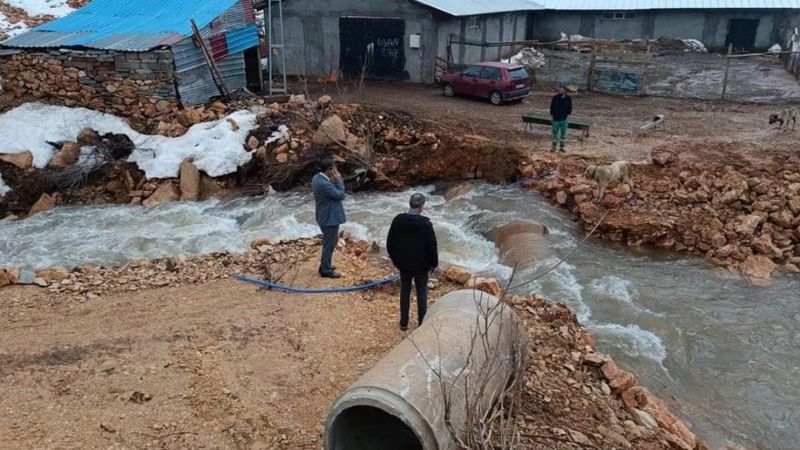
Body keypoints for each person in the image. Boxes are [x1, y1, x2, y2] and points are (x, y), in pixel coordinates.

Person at [386, 193, 439, 331]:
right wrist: (434, 263)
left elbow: (390, 243)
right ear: (421, 206)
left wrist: (396, 260)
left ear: (410, 204)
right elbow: (432, 246)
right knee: (421, 291)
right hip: (421, 265)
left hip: (404, 264)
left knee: (405, 291)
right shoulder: (426, 224)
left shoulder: (398, 220)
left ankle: (403, 322)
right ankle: (422, 323)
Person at [312, 158, 346, 279]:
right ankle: (325, 270)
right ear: (329, 170)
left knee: (331, 241)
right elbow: (341, 195)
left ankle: (325, 265)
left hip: (323, 215)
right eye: (334, 168)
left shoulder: (317, 178)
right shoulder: (324, 184)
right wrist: (338, 179)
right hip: (329, 218)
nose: (336, 170)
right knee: (329, 243)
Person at [550, 85, 573, 152]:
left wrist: (567, 118)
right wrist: (551, 117)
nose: (560, 91)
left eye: (562, 90)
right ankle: (553, 147)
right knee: (555, 134)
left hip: (564, 119)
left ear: (565, 91)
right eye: (559, 90)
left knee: (563, 134)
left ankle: (562, 147)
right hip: (555, 119)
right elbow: (551, 108)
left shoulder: (568, 98)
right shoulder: (555, 98)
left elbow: (570, 108)